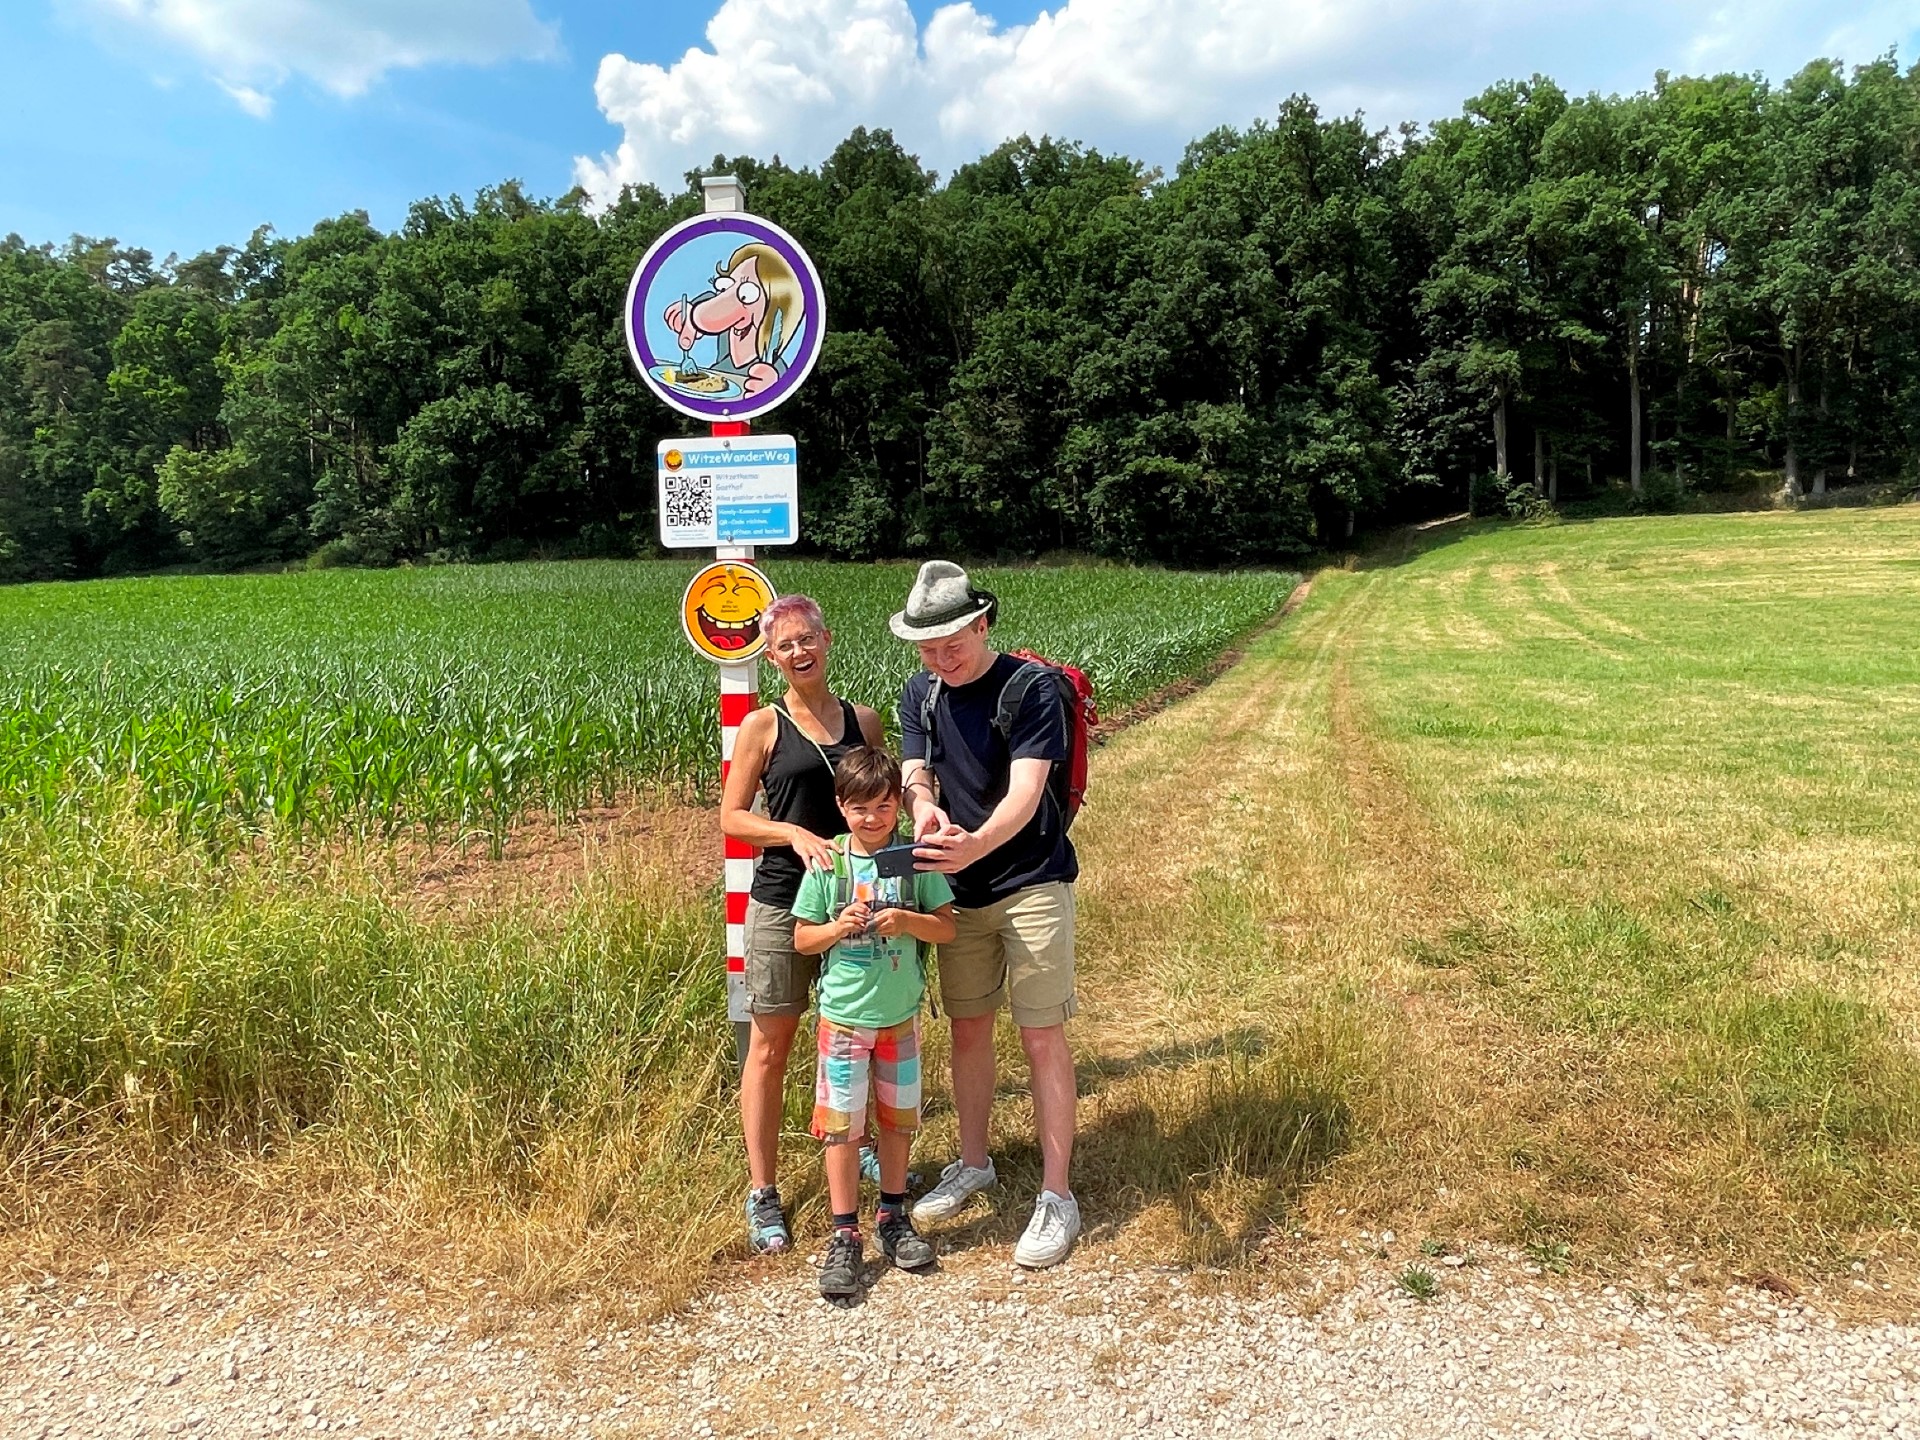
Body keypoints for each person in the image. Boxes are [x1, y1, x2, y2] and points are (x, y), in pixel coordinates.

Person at [891, 561, 1083, 1268]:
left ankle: (1058, 1195)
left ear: (983, 624)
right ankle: (975, 1164)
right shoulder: (923, 691)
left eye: (953, 643)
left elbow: (1027, 794)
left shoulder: (1031, 690)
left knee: (1042, 1036)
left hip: (1030, 881)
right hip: (958, 890)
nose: (941, 657)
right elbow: (917, 767)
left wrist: (973, 846)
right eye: (927, 646)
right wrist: (924, 806)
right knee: (968, 1029)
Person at [719, 593, 885, 1254]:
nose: (798, 651)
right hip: (783, 901)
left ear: (827, 637)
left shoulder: (863, 721)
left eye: (807, 638)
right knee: (770, 1046)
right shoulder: (762, 726)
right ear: (771, 656)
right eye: (784, 645)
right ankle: (763, 1192)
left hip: (853, 901)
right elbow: (732, 818)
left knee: (859, 1032)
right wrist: (788, 831)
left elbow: (879, 801)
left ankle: (861, 1146)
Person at [790, 747, 957, 1298]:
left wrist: (906, 919)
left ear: (898, 809)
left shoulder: (913, 861)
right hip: (841, 1020)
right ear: (842, 808)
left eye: (884, 807)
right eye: (861, 808)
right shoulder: (829, 864)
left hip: (899, 1018)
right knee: (840, 1127)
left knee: (898, 1120)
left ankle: (892, 1216)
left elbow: (945, 929)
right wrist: (839, 927)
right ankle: (845, 1233)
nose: (873, 818)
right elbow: (801, 938)